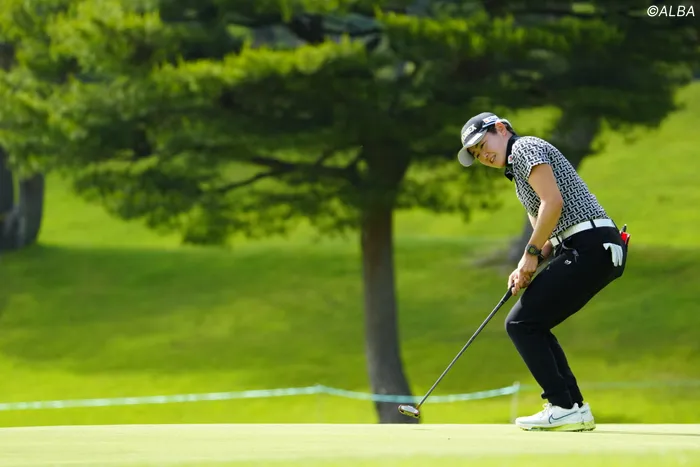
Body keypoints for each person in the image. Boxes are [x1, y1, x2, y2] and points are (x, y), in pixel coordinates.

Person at [456, 112, 629, 432]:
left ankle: (563, 406)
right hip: (588, 247)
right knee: (532, 323)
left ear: (500, 129)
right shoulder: (517, 172)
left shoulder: (525, 148)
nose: (483, 156)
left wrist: (530, 255)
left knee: (521, 324)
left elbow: (553, 203)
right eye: (476, 154)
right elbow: (547, 232)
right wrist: (525, 267)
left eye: (482, 145)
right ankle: (573, 407)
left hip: (590, 244)